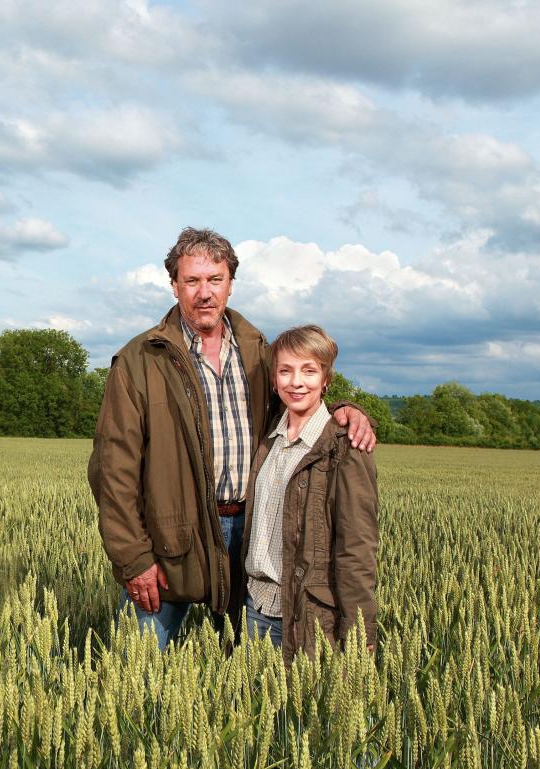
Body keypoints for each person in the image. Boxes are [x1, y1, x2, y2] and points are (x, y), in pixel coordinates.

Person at [87, 227, 376, 650]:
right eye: (192, 281)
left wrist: (342, 411)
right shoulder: (139, 360)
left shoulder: (258, 350)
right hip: (173, 539)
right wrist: (134, 558)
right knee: (136, 665)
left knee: (247, 672)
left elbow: (298, 396)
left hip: (254, 534)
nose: (204, 293)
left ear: (230, 283)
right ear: (175, 286)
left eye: (215, 280)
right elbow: (113, 470)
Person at [241, 325, 379, 662]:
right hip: (253, 607)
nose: (296, 381)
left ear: (326, 378)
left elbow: (357, 547)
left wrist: (361, 631)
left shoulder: (345, 449)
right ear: (274, 381)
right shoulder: (267, 438)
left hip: (306, 617)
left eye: (309, 370)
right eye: (285, 371)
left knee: (299, 715)